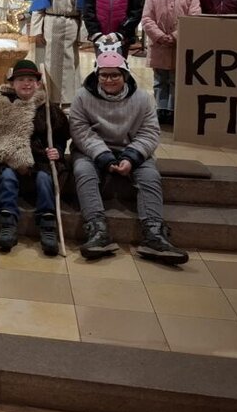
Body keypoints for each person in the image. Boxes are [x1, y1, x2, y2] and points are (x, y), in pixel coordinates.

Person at [69, 51, 188, 264]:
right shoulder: (82, 97)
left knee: (150, 176)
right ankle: (97, 230)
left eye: (115, 75)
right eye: (104, 75)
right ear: (97, 75)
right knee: (83, 171)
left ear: (125, 75)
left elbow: (150, 131)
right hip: (92, 150)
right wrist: (103, 156)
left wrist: (132, 157)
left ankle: (154, 234)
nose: (109, 80)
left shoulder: (142, 98)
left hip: (131, 148)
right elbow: (80, 131)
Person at [0, 60, 67, 257]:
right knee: (7, 179)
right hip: (9, 157)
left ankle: (47, 226)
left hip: (39, 159)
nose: (26, 84)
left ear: (37, 83)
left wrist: (58, 151)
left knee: (45, 180)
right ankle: (8, 225)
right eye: (21, 79)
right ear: (13, 83)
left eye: (30, 80)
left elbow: (61, 136)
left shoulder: (47, 108)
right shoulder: (3, 105)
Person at [141, 0, 200, 127]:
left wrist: (175, 36)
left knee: (176, 79)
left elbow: (194, 18)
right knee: (160, 79)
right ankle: (161, 108)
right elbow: (147, 18)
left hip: (180, 46)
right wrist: (159, 36)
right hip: (158, 45)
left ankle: (174, 109)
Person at [30, 0, 88, 107]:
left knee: (70, 62)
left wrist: (83, 34)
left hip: (71, 23)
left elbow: (85, 9)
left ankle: (69, 99)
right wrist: (37, 31)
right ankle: (51, 98)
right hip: (51, 23)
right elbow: (39, 6)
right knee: (51, 62)